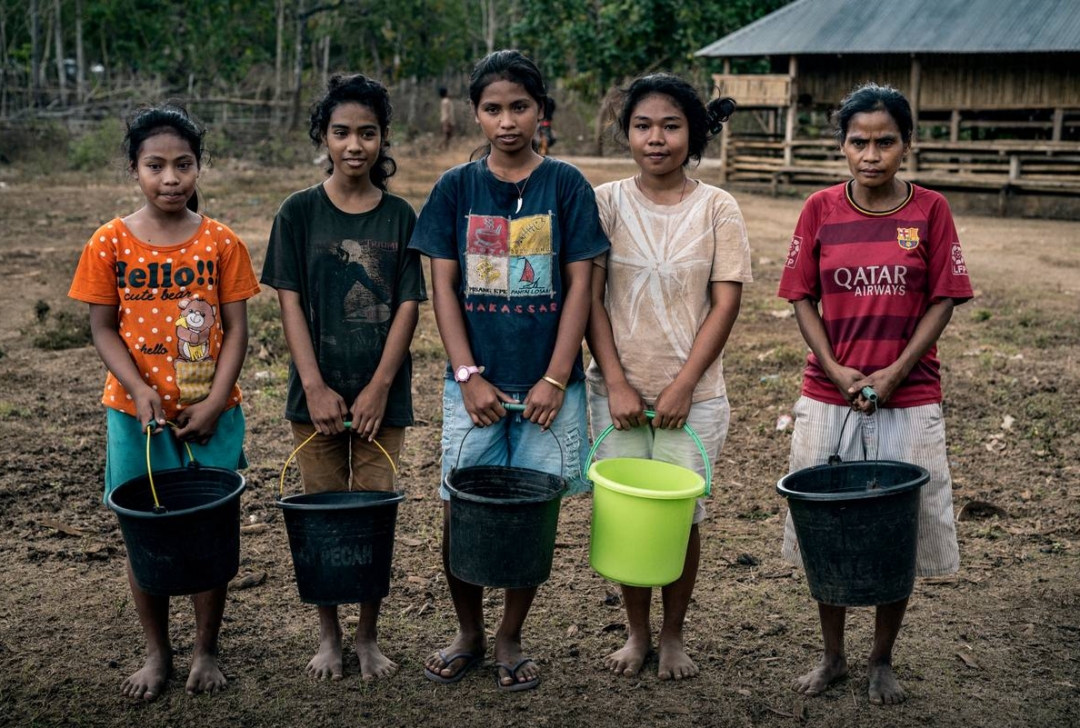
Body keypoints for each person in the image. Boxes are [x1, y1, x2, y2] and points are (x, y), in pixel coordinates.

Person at [409, 49, 609, 692]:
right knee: (459, 509)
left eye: (519, 107)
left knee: (532, 516)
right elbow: (442, 287)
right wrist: (468, 375)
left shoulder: (567, 185)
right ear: (475, 114)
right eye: (492, 109)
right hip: (475, 389)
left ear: (541, 112)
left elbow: (583, 285)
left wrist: (555, 377)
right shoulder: (456, 188)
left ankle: (510, 635)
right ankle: (468, 629)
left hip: (550, 387)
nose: (506, 121)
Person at [776, 82, 973, 705]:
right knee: (826, 525)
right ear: (841, 146)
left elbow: (943, 298)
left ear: (906, 145)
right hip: (828, 395)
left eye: (885, 141)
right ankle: (833, 654)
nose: (871, 154)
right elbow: (801, 295)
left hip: (909, 396)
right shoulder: (819, 210)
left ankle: (881, 657)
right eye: (858, 141)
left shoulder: (931, 212)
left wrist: (892, 374)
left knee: (897, 528)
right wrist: (835, 369)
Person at [68, 105, 260, 700]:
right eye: (156, 166)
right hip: (136, 418)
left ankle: (206, 649)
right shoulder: (109, 242)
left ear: (200, 168)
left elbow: (237, 329)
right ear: (134, 170)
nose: (171, 178)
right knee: (142, 532)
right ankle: (157, 652)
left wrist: (215, 401)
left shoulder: (222, 242)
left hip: (211, 416)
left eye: (183, 165)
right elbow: (103, 329)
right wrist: (140, 389)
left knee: (209, 531)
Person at [261, 74, 426, 682]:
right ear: (323, 138)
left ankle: (367, 637)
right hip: (318, 398)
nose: (354, 145)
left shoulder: (401, 216)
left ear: (383, 139)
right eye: (341, 132)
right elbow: (288, 301)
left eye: (367, 132)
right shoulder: (298, 212)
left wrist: (382, 385)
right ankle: (329, 636)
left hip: (385, 398)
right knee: (324, 514)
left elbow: (409, 304)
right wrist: (314, 386)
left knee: (374, 514)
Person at [586, 74, 750, 681]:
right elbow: (591, 300)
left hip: (697, 395)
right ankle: (636, 634)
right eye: (643, 125)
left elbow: (725, 303)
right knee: (631, 516)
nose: (656, 138)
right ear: (626, 132)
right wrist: (619, 383)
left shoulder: (718, 208)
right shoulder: (603, 203)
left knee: (680, 518)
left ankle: (674, 635)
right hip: (617, 392)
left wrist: (682, 385)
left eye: (672, 125)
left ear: (695, 133)